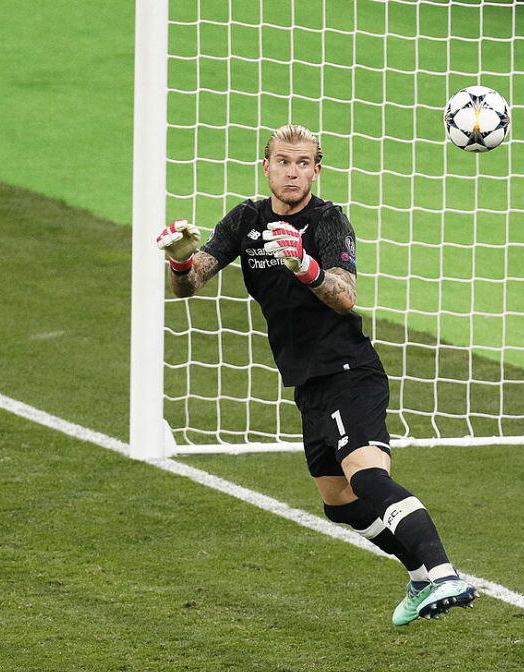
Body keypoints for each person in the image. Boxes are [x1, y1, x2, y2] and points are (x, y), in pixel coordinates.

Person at [154, 124, 477, 626]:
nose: (292, 172)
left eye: (303, 163)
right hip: (307, 383)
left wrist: (304, 265)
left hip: (348, 371)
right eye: (283, 161)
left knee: (367, 477)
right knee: (339, 502)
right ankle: (418, 580)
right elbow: (192, 283)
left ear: (316, 170)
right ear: (266, 166)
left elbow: (346, 294)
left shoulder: (328, 221)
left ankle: (444, 574)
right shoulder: (246, 219)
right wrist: (179, 263)